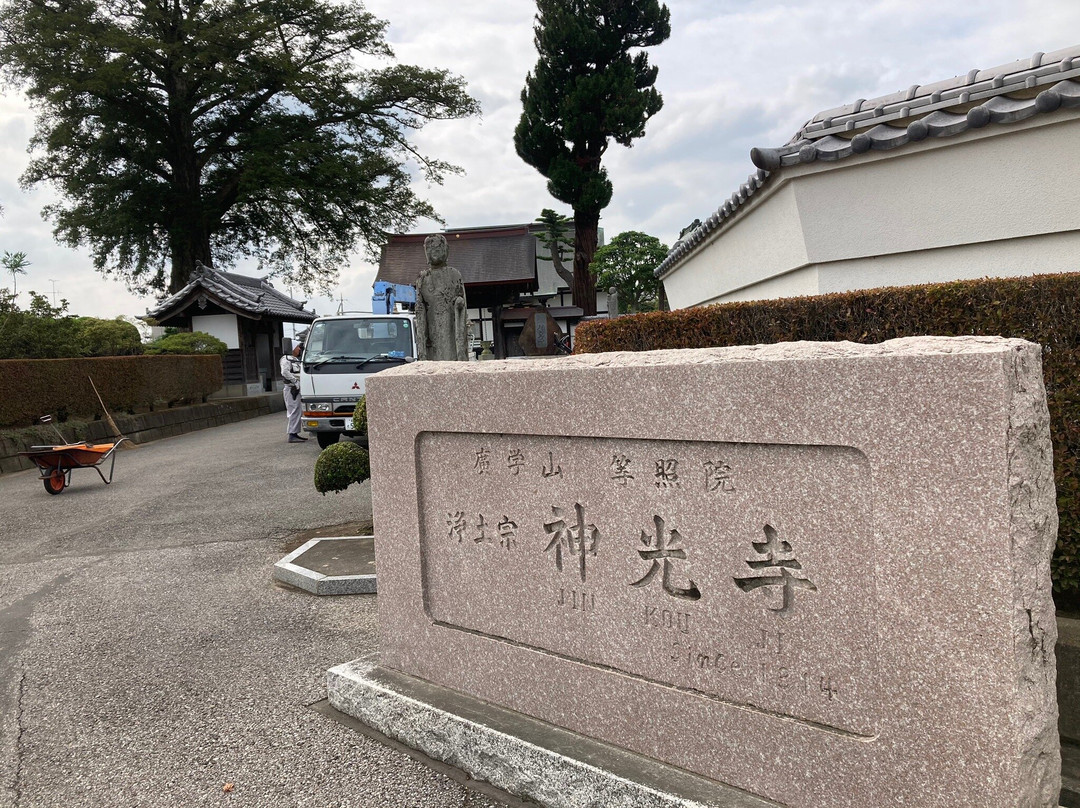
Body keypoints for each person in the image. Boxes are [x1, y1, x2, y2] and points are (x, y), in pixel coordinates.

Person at [280, 342, 307, 443]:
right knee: (293, 411)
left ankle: (295, 432)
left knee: (298, 410)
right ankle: (292, 434)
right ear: (292, 348)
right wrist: (295, 381)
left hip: (297, 388)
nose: (299, 349)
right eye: (297, 347)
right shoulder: (286, 359)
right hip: (291, 388)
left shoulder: (294, 359)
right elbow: (284, 372)